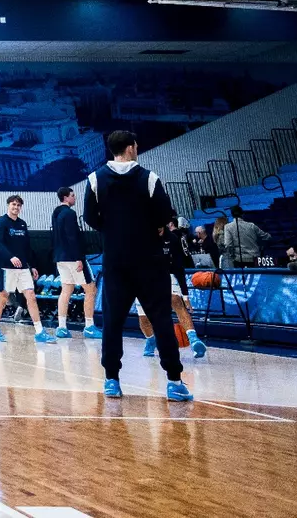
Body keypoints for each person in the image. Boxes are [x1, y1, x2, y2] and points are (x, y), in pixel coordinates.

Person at [83, 130, 191, 402]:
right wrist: (148, 227)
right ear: (131, 148)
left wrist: (114, 231)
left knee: (113, 322)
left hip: (116, 260)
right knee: (161, 319)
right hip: (149, 259)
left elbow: (89, 217)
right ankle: (174, 382)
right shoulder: (149, 178)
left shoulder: (95, 180)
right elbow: (165, 214)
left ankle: (111, 380)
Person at [135, 213, 206, 360]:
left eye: (161, 228)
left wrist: (185, 295)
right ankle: (150, 339)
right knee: (143, 318)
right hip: (144, 276)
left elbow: (179, 268)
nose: (159, 232)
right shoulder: (139, 238)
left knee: (176, 301)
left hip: (167, 274)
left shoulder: (172, 239)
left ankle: (194, 339)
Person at [0, 195, 56, 344]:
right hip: (6, 267)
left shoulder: (23, 224)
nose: (16, 207)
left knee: (31, 295)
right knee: (3, 296)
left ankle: (39, 332)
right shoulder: (1, 223)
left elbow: (26, 248)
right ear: (8, 205)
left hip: (23, 267)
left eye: (18, 205)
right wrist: (10, 256)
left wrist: (33, 265)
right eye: (13, 204)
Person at [50, 186, 102, 339]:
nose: (75, 198)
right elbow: (72, 236)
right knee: (91, 289)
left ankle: (61, 327)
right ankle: (89, 326)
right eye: (72, 195)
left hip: (59, 257)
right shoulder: (69, 213)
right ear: (66, 197)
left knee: (66, 290)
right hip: (73, 257)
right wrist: (79, 257)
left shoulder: (55, 213)